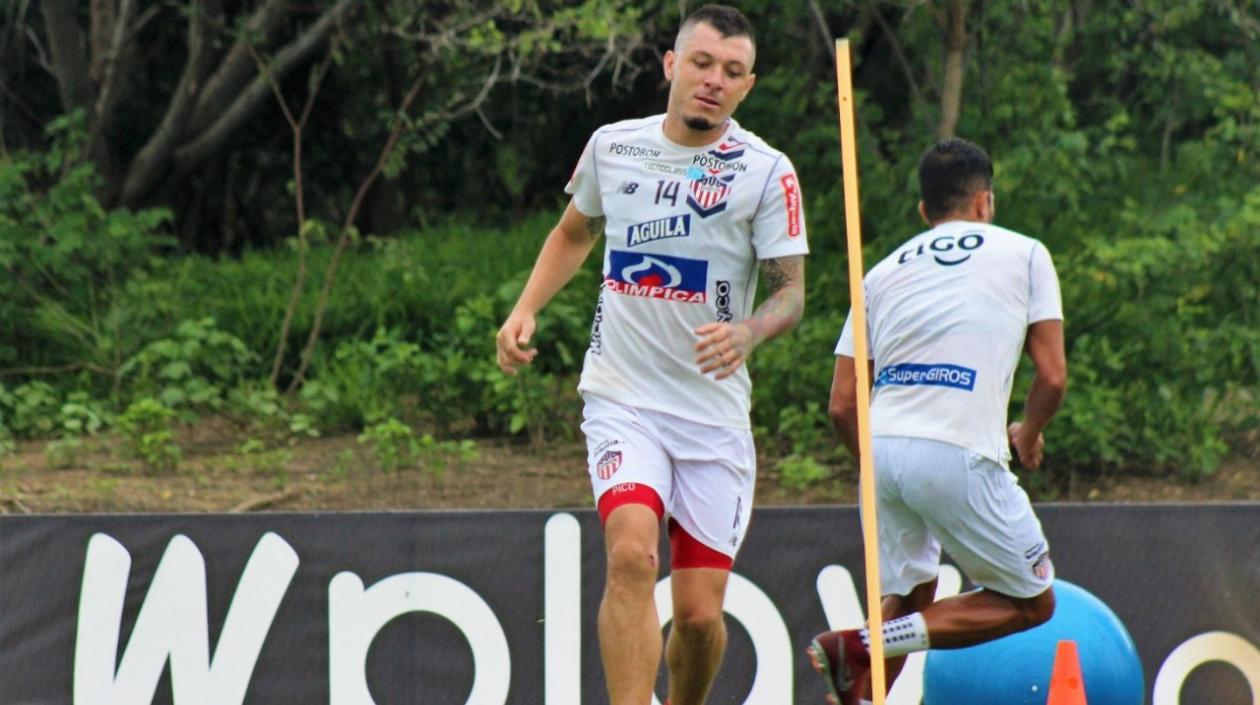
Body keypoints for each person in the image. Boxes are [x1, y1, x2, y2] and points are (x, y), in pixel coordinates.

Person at [495, 5, 807, 703]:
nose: (713, 81)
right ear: (670, 65)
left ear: (746, 86)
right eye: (701, 64)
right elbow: (574, 232)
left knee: (699, 616)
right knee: (632, 555)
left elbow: (790, 294)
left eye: (731, 72)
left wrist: (751, 331)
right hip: (623, 396)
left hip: (711, 415)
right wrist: (526, 307)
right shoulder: (614, 146)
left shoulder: (767, 172)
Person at [807, 138, 1068, 705]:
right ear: (985, 202)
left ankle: (865, 659)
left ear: (924, 213)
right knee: (1030, 601)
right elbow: (1051, 376)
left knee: (914, 592)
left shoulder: (877, 274)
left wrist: (877, 469)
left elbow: (842, 404)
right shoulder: (1025, 253)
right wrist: (1028, 431)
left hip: (882, 449)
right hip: (957, 448)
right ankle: (867, 640)